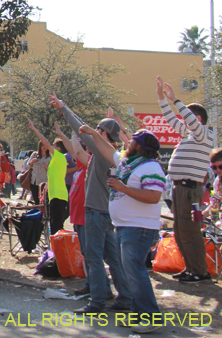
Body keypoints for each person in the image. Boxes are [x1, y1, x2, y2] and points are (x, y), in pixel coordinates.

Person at [51, 94, 133, 315]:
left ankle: (97, 302)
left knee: (94, 258)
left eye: (97, 129)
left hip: (97, 212)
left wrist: (64, 108)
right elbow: (82, 136)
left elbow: (82, 131)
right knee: (113, 259)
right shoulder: (116, 154)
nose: (93, 131)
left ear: (103, 134)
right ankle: (125, 297)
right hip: (107, 212)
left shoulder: (101, 151)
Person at [90, 128, 166, 333]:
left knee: (135, 272)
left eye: (132, 141)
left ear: (139, 146)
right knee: (131, 273)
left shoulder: (151, 167)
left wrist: (122, 188)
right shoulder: (128, 163)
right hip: (125, 226)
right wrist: (92, 132)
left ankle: (151, 317)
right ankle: (139, 315)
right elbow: (107, 150)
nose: (128, 143)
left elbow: (153, 197)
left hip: (139, 227)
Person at [157, 76, 215, 283]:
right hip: (180, 188)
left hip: (191, 190)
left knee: (190, 231)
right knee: (180, 232)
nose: (184, 121)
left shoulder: (204, 135)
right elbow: (172, 120)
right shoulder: (189, 135)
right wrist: (162, 100)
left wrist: (175, 100)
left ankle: (200, 271)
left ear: (197, 119)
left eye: (189, 117)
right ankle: (191, 268)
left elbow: (186, 119)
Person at [52, 122, 91, 296]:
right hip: (77, 218)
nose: (75, 155)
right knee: (86, 253)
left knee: (91, 255)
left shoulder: (89, 165)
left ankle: (95, 287)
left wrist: (75, 132)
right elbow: (72, 149)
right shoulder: (80, 168)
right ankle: (92, 285)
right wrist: (62, 134)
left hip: (85, 217)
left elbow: (76, 150)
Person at [28, 120, 73, 235]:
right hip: (54, 195)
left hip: (59, 195)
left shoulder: (59, 157)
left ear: (58, 149)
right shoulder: (56, 160)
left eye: (53, 146)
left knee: (57, 226)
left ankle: (57, 250)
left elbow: (45, 142)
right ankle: (55, 249)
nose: (50, 147)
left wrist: (34, 129)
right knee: (54, 225)